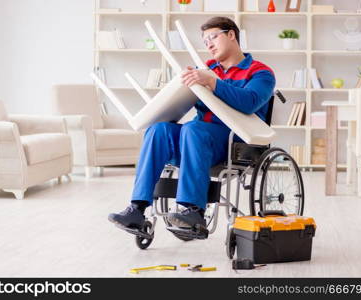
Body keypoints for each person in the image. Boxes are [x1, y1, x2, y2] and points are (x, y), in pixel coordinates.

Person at [108, 16, 276, 231]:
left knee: (193, 129)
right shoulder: (205, 69)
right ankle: (137, 209)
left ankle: (194, 211)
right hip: (196, 141)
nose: (209, 45)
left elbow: (249, 103)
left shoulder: (260, 72)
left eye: (213, 37)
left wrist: (212, 82)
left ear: (231, 35)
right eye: (205, 42)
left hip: (232, 143)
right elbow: (181, 104)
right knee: (158, 130)